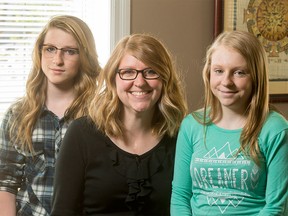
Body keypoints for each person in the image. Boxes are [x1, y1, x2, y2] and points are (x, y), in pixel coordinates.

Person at [51, 33, 188, 215]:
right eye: (128, 72)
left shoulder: (182, 136)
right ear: (113, 79)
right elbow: (62, 211)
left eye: (151, 72)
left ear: (165, 80)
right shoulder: (81, 134)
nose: (139, 82)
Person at [171, 30, 288, 215]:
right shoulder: (191, 125)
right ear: (208, 73)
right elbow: (180, 197)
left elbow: (275, 208)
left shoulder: (275, 129)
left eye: (239, 73)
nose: (226, 81)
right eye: (218, 71)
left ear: (256, 76)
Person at [0, 15, 101, 215]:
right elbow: (5, 185)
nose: (57, 60)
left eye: (70, 52)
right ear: (40, 52)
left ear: (84, 57)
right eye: (50, 49)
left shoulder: (99, 115)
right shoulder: (18, 115)